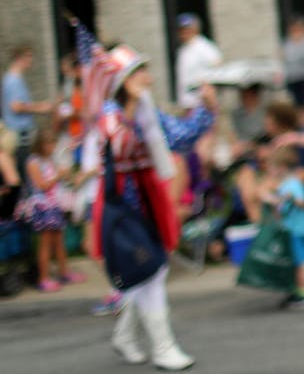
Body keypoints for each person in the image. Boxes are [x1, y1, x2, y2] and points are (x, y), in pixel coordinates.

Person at [91, 45, 217, 370]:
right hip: (121, 205)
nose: (146, 76)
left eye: (144, 69)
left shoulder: (147, 108)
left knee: (152, 270)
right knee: (152, 271)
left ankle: (127, 337)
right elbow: (118, 144)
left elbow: (181, 138)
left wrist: (207, 109)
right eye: (137, 70)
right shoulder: (109, 111)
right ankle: (163, 347)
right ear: (122, 79)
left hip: (146, 201)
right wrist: (133, 105)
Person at [17, 126, 81, 292]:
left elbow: (56, 182)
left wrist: (66, 175)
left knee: (59, 241)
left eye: (53, 144)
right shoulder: (33, 162)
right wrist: (58, 176)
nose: (52, 147)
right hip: (42, 206)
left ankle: (64, 272)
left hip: (54, 205)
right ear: (41, 144)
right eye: (49, 144)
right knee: (45, 244)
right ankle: (43, 278)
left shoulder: (49, 159)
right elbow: (42, 185)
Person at [258, 145, 304, 310]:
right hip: (288, 230)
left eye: (272, 168)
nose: (270, 171)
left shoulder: (294, 184)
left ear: (281, 168)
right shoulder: (284, 185)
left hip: (296, 231)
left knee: (298, 264)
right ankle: (295, 291)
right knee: (291, 263)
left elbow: (303, 202)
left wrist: (289, 198)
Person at [3, 45, 52, 171]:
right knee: (24, 169)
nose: (31, 61)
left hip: (22, 134)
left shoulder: (16, 79)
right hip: (20, 135)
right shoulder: (13, 80)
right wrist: (40, 108)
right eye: (29, 57)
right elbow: (16, 107)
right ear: (19, 58)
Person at [174, 14, 222, 110]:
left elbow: (218, 64)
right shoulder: (183, 50)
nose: (184, 33)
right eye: (181, 30)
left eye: (187, 29)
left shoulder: (203, 46)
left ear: (195, 29)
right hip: (187, 102)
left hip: (202, 103)